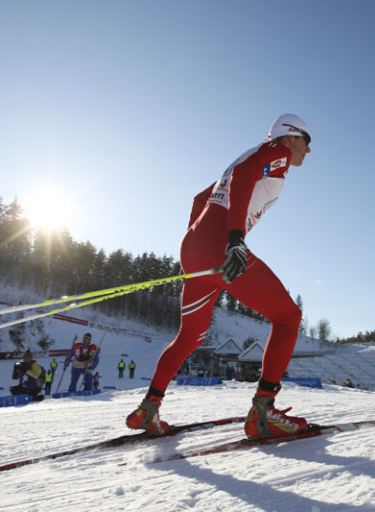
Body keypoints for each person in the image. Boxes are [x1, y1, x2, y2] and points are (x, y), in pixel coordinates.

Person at [126, 114, 312, 439]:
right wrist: (234, 238)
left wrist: (196, 248)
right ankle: (263, 412)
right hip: (219, 245)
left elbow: (201, 199)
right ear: (291, 136)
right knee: (288, 317)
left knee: (189, 337)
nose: (308, 150)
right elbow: (244, 173)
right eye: (306, 141)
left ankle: (149, 409)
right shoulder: (278, 151)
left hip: (197, 247)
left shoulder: (252, 155)